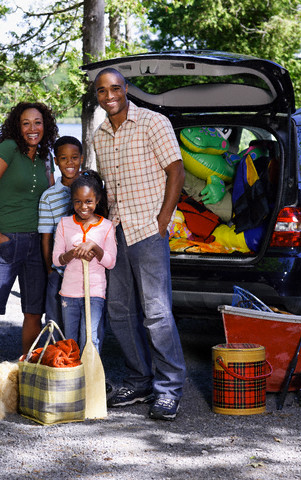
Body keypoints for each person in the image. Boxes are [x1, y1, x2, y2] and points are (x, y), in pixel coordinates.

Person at [92, 67, 187, 421]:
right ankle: (140, 379)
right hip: (116, 233)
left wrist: (163, 220)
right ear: (97, 96)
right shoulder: (99, 135)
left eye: (115, 88)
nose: (109, 95)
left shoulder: (153, 123)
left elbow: (176, 171)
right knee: (119, 311)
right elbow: (107, 189)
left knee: (157, 313)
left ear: (126, 89)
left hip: (148, 230)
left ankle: (169, 388)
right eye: (102, 90)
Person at [0, 102, 59, 362]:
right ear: (17, 126)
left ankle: (28, 371)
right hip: (7, 242)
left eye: (37, 122)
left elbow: (52, 196)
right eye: (26, 123)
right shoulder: (8, 149)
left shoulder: (45, 156)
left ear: (45, 125)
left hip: (38, 243)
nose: (32, 128)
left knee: (32, 313)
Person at [52, 170, 116, 353]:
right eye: (77, 201)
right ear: (72, 201)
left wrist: (94, 246)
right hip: (69, 294)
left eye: (88, 201)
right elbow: (57, 260)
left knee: (90, 339)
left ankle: (91, 380)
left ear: (97, 200)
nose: (83, 207)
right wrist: (74, 253)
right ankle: (73, 380)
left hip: (94, 293)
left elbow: (110, 262)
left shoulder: (106, 226)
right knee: (70, 343)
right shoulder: (64, 224)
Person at [38, 136, 84, 329]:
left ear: (81, 158)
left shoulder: (91, 190)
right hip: (59, 270)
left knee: (83, 320)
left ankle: (83, 356)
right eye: (63, 158)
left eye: (74, 157)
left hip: (86, 270)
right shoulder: (49, 197)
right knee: (55, 320)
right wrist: (50, 270)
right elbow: (46, 237)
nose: (69, 162)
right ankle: (56, 356)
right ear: (56, 161)